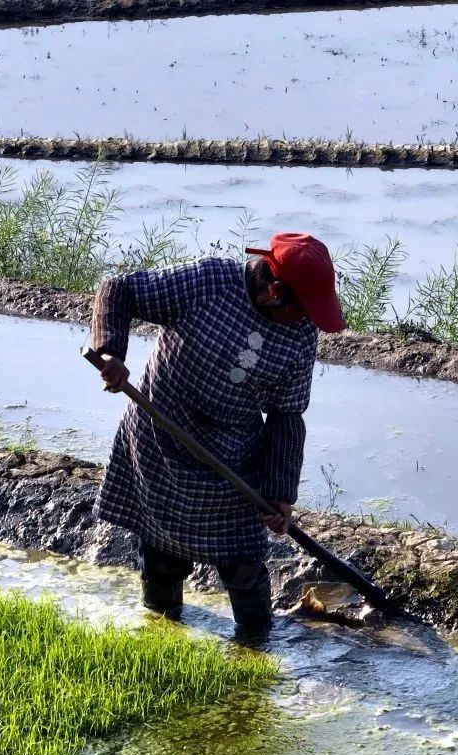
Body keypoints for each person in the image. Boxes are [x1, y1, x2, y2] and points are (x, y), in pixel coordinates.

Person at [89, 232, 346, 640]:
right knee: (162, 557)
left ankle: (257, 642)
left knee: (244, 565)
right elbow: (118, 290)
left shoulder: (300, 336)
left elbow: (286, 415)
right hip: (161, 439)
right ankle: (159, 632)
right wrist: (111, 354)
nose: (306, 319)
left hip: (233, 457)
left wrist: (281, 493)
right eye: (302, 307)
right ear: (275, 292)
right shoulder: (208, 282)